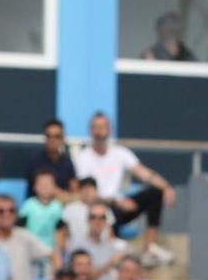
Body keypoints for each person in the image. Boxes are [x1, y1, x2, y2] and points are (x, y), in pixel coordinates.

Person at [73, 113, 175, 268]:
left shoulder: (120, 153)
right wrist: (114, 201)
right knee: (101, 214)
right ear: (90, 130)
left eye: (103, 127)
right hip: (97, 209)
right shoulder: (83, 158)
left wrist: (166, 186)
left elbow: (143, 173)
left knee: (155, 192)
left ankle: (149, 248)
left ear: (110, 130)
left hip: (120, 207)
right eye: (96, 127)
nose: (100, 131)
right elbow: (87, 194)